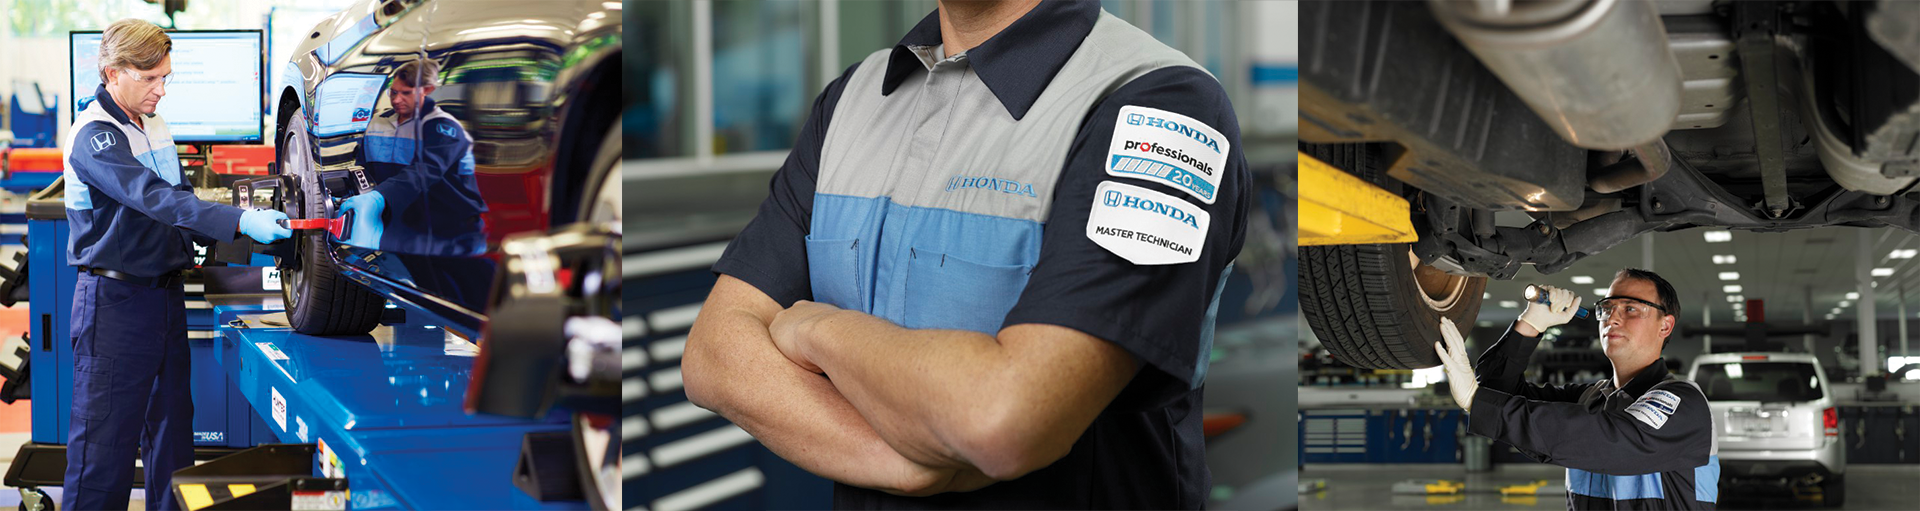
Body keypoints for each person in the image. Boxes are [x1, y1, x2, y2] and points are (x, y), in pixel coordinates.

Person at [680, 0, 1250, 507]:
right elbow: (713, 356)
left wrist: (816, 329)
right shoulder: (852, 101)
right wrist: (910, 466)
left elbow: (1005, 421)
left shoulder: (1160, 107)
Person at [61, 18, 292, 511]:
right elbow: (154, 199)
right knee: (104, 451)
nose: (160, 90)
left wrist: (255, 235)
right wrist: (239, 219)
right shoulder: (95, 137)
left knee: (172, 440)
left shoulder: (155, 125)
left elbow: (182, 200)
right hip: (115, 306)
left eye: (165, 77)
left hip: (163, 300)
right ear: (112, 73)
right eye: (149, 79)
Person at [1434, 269, 1720, 509]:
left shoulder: (1683, 402)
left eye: (1631, 308)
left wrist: (1476, 399)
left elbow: (1607, 440)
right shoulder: (1591, 399)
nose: (1613, 318)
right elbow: (1497, 394)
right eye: (1607, 308)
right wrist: (1530, 326)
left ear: (1665, 326)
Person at [338, 58, 487, 258]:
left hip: (448, 234)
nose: (397, 99)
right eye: (393, 92)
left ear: (427, 90)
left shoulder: (443, 128)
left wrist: (378, 197)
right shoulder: (378, 122)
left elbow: (424, 172)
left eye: (406, 93)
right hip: (397, 226)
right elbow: (363, 169)